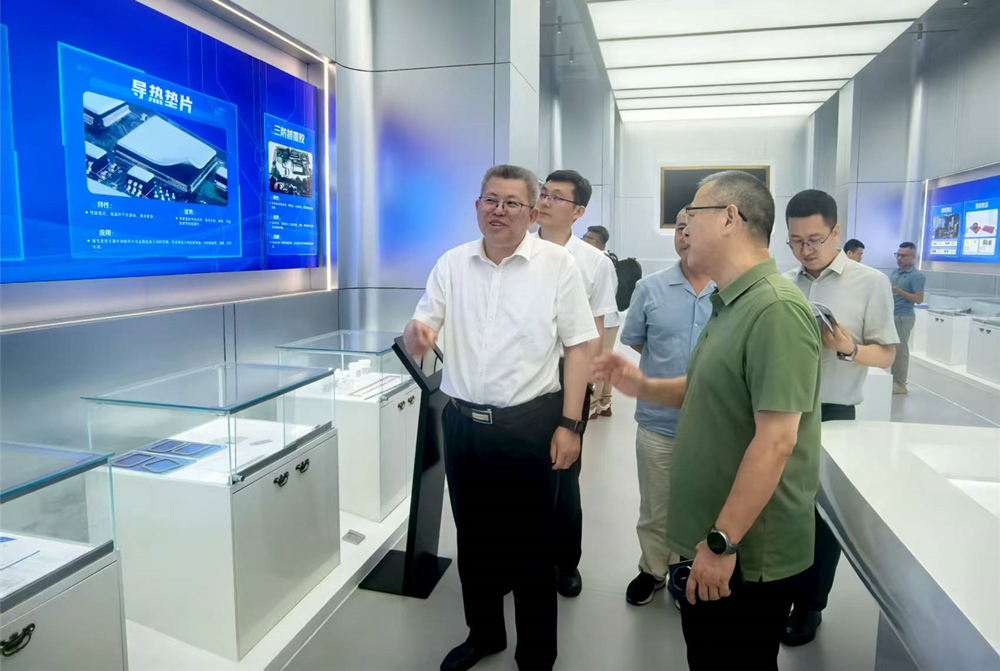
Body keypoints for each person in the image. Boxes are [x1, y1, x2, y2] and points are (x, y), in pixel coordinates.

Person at [593, 170, 822, 671]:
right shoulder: (731, 302)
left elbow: (777, 441)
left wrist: (722, 542)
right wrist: (642, 386)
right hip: (713, 537)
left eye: (691, 216)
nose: (683, 229)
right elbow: (705, 388)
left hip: (746, 553)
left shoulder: (775, 310)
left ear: (729, 218)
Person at [404, 164, 597, 671]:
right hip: (463, 424)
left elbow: (580, 347)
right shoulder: (452, 263)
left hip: (530, 426)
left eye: (512, 203)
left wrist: (571, 425)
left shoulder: (557, 265)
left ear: (532, 213)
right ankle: (485, 633)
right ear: (477, 206)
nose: (499, 210)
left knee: (533, 549)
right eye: (490, 200)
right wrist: (416, 335)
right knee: (474, 540)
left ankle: (536, 655)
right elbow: (422, 325)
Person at [781, 190, 898, 646]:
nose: (805, 250)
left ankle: (810, 605)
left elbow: (886, 355)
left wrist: (848, 348)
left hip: (832, 413)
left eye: (814, 239)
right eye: (795, 241)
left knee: (821, 519)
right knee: (780, 508)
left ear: (836, 232)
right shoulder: (783, 283)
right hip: (781, 408)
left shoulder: (870, 283)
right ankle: (777, 594)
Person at [619, 205, 715, 607]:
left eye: (693, 227)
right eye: (679, 228)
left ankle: (686, 572)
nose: (685, 234)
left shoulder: (733, 290)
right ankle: (653, 569)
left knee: (702, 507)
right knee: (655, 505)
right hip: (658, 421)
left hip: (714, 426)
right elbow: (637, 341)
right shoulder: (650, 288)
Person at [535, 170, 618, 598]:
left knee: (564, 477)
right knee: (520, 477)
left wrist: (586, 393)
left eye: (556, 197)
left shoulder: (594, 262)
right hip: (523, 384)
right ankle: (520, 561)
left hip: (569, 381)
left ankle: (565, 562)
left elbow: (597, 330)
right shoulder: (519, 248)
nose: (544, 202)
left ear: (579, 211)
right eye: (542, 194)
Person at [582, 224, 622, 419]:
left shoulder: (602, 261)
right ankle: (605, 402)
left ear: (595, 242)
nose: (582, 240)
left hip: (604, 320)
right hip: (605, 319)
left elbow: (606, 294)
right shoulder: (600, 259)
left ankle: (593, 404)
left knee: (598, 362)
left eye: (586, 237)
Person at [890, 242, 926, 395]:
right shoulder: (895, 273)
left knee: (900, 351)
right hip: (892, 315)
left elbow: (919, 299)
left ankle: (900, 384)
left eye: (903, 255)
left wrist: (899, 291)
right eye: (897, 255)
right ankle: (892, 380)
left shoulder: (916, 276)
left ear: (913, 257)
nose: (899, 258)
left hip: (903, 317)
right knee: (892, 349)